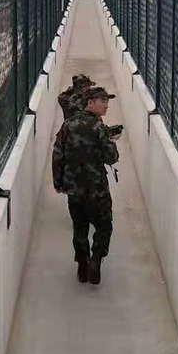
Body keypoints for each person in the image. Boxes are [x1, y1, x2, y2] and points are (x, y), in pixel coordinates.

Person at [52, 86, 122, 285]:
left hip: (74, 189)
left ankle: (82, 265)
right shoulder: (100, 128)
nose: (106, 105)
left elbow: (58, 155)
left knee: (80, 227)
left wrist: (58, 182)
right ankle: (96, 260)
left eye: (107, 101)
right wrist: (112, 140)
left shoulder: (68, 125)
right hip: (97, 189)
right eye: (102, 101)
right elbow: (111, 158)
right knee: (104, 225)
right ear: (90, 103)